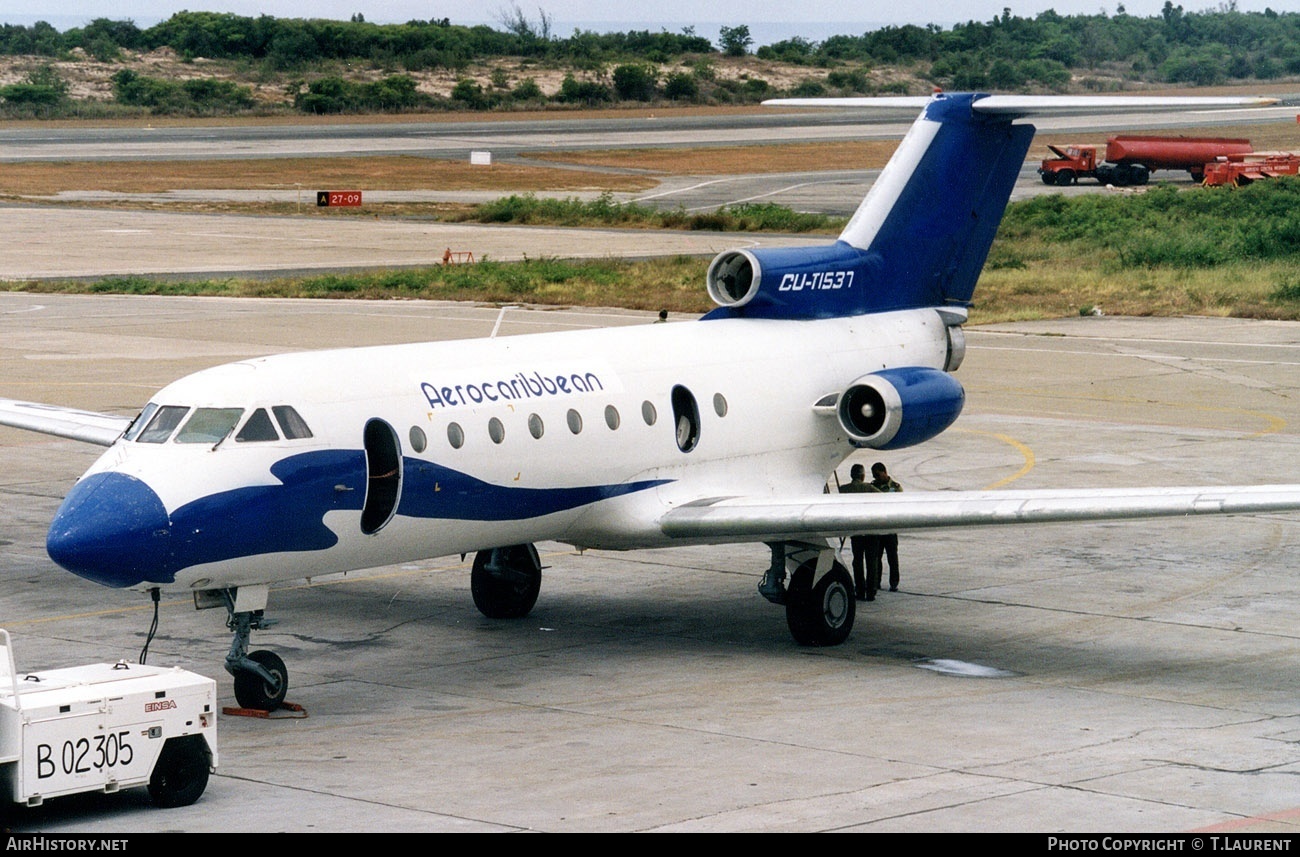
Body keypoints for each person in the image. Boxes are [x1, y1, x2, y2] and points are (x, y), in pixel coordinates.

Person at [838, 463, 880, 601]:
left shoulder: (844, 489)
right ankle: (871, 591)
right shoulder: (870, 489)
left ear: (851, 475)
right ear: (863, 475)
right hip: (869, 531)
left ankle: (860, 590)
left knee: (857, 562)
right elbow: (884, 498)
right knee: (871, 562)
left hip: (855, 532)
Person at [869, 462, 903, 591]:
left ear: (884, 472)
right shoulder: (872, 487)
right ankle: (876, 582)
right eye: (874, 475)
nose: (876, 478)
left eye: (877, 475)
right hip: (878, 529)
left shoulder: (895, 487)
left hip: (890, 529)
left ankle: (894, 582)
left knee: (892, 558)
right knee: (877, 558)